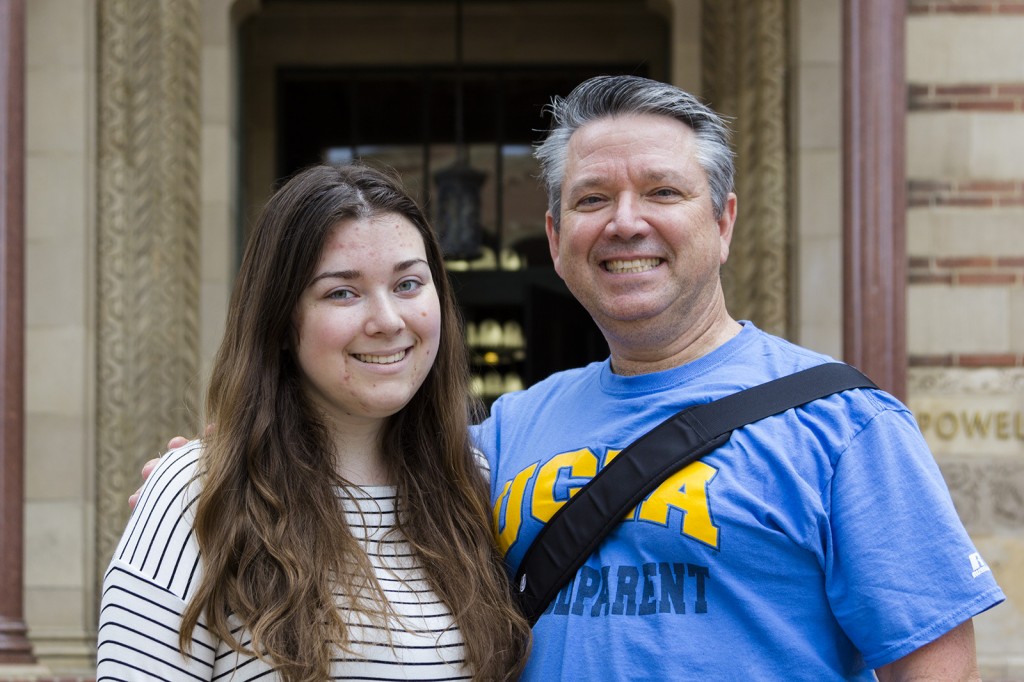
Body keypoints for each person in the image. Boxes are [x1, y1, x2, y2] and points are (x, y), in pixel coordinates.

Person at [137, 75, 1005, 680]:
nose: (625, 223)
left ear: (724, 220)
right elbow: (353, 463)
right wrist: (214, 465)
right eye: (592, 200)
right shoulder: (506, 434)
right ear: (555, 239)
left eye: (662, 192)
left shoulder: (845, 424)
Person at [99, 163, 531, 681]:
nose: (389, 320)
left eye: (409, 283)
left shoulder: (477, 486)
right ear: (281, 322)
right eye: (342, 293)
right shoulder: (198, 492)